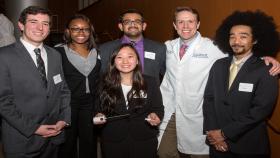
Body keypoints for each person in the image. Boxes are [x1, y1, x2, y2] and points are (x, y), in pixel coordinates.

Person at [157, 6, 280, 158]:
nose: (186, 26)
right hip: (173, 110)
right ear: (175, 26)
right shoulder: (167, 47)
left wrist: (265, 57)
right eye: (181, 22)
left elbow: (241, 52)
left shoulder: (212, 46)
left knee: (196, 153)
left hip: (197, 115)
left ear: (198, 24)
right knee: (164, 152)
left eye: (190, 21)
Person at [203, 10, 279, 158]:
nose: (236, 41)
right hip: (217, 146)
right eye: (232, 36)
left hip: (248, 146)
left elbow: (260, 110)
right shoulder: (218, 65)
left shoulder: (266, 69)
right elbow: (209, 99)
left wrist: (224, 134)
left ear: (255, 40)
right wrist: (212, 132)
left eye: (243, 36)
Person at [0, 6, 71, 158]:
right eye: (33, 22)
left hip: (53, 137)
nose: (40, 28)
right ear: (21, 25)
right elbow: (3, 101)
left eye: (45, 23)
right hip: (22, 140)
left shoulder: (55, 55)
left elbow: (63, 90)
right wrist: (34, 128)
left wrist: (64, 119)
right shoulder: (4, 56)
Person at [94, 43, 164, 158]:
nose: (125, 61)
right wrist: (98, 115)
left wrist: (155, 116)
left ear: (137, 61)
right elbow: (96, 108)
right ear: (113, 62)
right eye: (119, 57)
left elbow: (158, 108)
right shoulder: (103, 83)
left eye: (130, 57)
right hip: (113, 139)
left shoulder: (150, 82)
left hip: (144, 139)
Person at [55, 14, 100, 158]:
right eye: (76, 29)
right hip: (68, 103)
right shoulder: (57, 52)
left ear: (90, 31)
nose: (81, 32)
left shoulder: (97, 52)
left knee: (89, 141)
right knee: (67, 143)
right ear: (68, 31)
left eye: (85, 29)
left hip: (90, 103)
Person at [99, 9, 166, 84]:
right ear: (121, 26)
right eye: (127, 22)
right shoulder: (105, 49)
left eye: (137, 21)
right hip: (116, 94)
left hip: (150, 94)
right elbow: (101, 78)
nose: (133, 24)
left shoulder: (159, 48)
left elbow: (168, 76)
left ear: (143, 26)